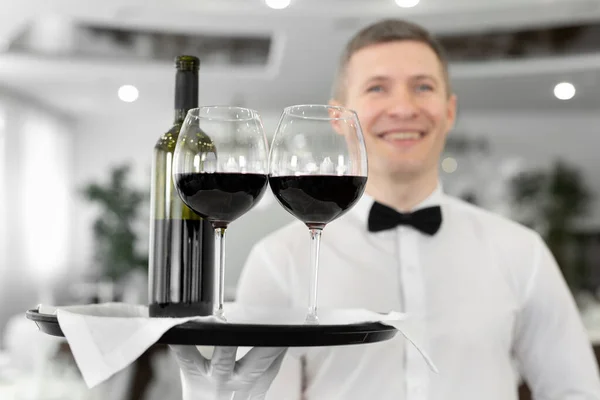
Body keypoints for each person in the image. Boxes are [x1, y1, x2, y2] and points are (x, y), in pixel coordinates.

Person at [231, 18, 600, 399]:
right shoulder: (279, 259)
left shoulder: (523, 252)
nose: (403, 108)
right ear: (338, 117)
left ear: (449, 110)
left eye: (423, 87)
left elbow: (575, 391)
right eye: (377, 88)